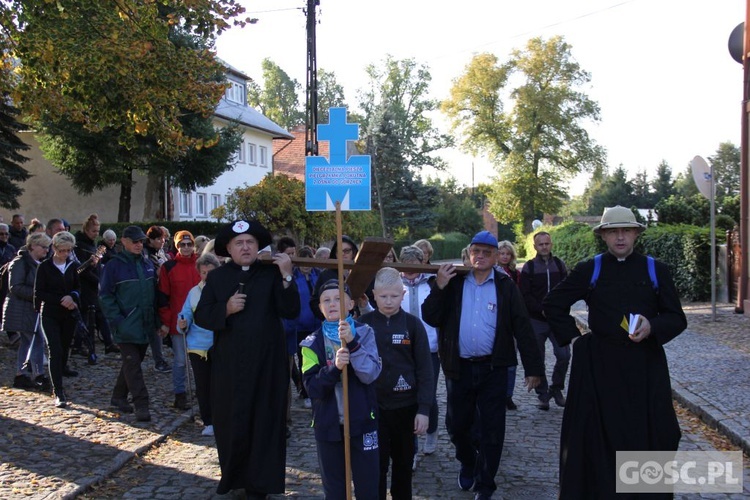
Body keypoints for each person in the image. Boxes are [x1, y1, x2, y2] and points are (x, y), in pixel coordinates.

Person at [543, 206, 687, 499]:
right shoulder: (590, 268)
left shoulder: (655, 269)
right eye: (613, 232)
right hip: (600, 368)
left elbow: (676, 317)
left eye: (625, 231)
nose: (620, 237)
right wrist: (574, 340)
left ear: (635, 233)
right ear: (604, 236)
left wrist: (653, 325)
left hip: (644, 366)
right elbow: (553, 304)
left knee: (656, 433)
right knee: (597, 438)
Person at [421, 230, 543, 500]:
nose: (480, 256)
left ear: (496, 257)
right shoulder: (453, 283)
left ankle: (486, 484)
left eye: (487, 253)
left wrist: (534, 369)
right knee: (457, 426)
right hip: (459, 368)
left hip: (494, 368)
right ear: (468, 254)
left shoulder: (505, 285)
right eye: (476, 251)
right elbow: (430, 316)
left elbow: (522, 327)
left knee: (492, 429)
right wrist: (438, 287)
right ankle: (468, 462)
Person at [194, 219, 299, 498]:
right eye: (239, 243)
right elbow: (201, 315)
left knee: (265, 421)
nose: (245, 247)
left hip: (267, 365)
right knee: (232, 421)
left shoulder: (271, 274)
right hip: (230, 367)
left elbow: (290, 311)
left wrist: (288, 276)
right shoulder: (217, 278)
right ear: (228, 248)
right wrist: (225, 309)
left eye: (250, 242)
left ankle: (261, 484)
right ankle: (234, 477)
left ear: (258, 246)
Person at [300, 279, 381, 500]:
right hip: (328, 426)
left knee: (368, 487)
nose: (332, 304)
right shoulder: (311, 343)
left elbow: (370, 374)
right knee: (335, 491)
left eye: (338, 299)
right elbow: (312, 388)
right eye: (326, 300)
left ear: (351, 304)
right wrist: (334, 369)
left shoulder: (365, 333)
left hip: (363, 422)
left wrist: (353, 344)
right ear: (319, 307)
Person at [360, 267, 432, 500]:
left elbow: (425, 370)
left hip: (406, 408)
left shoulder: (413, 325)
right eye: (383, 296)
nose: (388, 301)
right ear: (373, 295)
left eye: (394, 296)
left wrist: (423, 410)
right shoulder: (363, 324)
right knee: (375, 467)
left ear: (403, 294)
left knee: (403, 467)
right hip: (374, 408)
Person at [99, 226, 159, 422]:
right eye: (135, 241)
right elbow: (106, 296)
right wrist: (117, 320)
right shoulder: (114, 266)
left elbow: (154, 295)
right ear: (123, 241)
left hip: (144, 324)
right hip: (125, 325)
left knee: (132, 363)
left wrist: (157, 321)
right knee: (133, 365)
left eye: (141, 241)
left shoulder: (147, 263)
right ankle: (142, 404)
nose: (139, 245)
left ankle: (118, 396)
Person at [519, 231, 570, 411]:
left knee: (564, 355)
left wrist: (559, 309)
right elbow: (525, 295)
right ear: (535, 247)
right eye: (540, 244)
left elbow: (567, 289)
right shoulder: (529, 267)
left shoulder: (559, 264)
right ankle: (543, 394)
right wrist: (540, 309)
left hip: (557, 319)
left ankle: (556, 388)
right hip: (537, 320)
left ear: (551, 244)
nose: (544, 247)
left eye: (547, 243)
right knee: (537, 357)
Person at [399, 245, 442, 456]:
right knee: (408, 398)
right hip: (402, 349)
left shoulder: (433, 282)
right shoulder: (396, 284)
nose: (409, 268)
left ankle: (432, 430)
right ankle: (412, 448)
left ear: (422, 263)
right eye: (405, 263)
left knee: (429, 395)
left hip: (430, 348)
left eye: (413, 263)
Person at [34, 231, 81, 408]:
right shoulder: (45, 267)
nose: (66, 254)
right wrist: (60, 299)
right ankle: (58, 391)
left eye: (68, 250)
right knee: (55, 350)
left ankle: (60, 375)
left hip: (68, 315)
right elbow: (39, 292)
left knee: (64, 348)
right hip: (50, 313)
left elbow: (78, 287)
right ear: (54, 248)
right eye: (62, 250)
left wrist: (73, 297)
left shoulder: (72, 265)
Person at [177, 252, 221, 436]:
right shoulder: (193, 293)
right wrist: (182, 323)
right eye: (203, 273)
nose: (207, 276)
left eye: (210, 272)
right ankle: (208, 421)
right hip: (198, 345)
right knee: (203, 385)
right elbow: (185, 313)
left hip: (219, 344)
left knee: (220, 384)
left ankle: (222, 418)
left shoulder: (224, 290)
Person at [158, 230, 200, 410]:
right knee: (181, 360)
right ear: (176, 246)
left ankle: (201, 390)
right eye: (182, 245)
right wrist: (166, 322)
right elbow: (162, 297)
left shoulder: (200, 265)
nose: (186, 248)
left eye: (189, 244)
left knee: (200, 359)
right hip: (178, 320)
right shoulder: (168, 267)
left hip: (200, 322)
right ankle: (180, 393)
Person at [4, 232, 51, 391]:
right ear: (33, 246)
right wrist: (38, 294)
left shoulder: (36, 262)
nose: (46, 251)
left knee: (31, 341)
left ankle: (25, 374)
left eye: (47, 247)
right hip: (22, 309)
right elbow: (15, 287)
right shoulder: (20, 262)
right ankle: (35, 375)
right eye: (43, 247)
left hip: (32, 309)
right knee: (34, 341)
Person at [73, 214, 119, 357]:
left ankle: (108, 343)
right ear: (86, 230)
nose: (96, 234)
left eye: (97, 231)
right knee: (86, 317)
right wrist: (97, 279)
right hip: (86, 286)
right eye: (93, 231)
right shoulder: (80, 246)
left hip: (94, 285)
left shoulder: (92, 245)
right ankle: (78, 346)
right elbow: (80, 270)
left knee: (100, 314)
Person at [284, 245, 321, 410]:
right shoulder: (294, 276)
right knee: (304, 362)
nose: (306, 265)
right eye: (303, 260)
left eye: (308, 260)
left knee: (319, 360)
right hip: (300, 327)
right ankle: (306, 392)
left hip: (317, 325)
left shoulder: (317, 275)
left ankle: (318, 390)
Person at [496, 240, 521, 411]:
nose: (504, 257)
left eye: (507, 254)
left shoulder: (515, 274)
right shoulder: (490, 272)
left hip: (511, 320)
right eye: (501, 253)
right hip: (495, 318)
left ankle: (508, 395)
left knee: (511, 361)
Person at [142, 226, 171, 373]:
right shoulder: (145, 253)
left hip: (161, 292)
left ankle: (159, 358)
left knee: (157, 328)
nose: (162, 241)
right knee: (153, 329)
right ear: (150, 240)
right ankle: (158, 360)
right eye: (159, 239)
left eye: (163, 238)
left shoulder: (160, 251)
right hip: (150, 294)